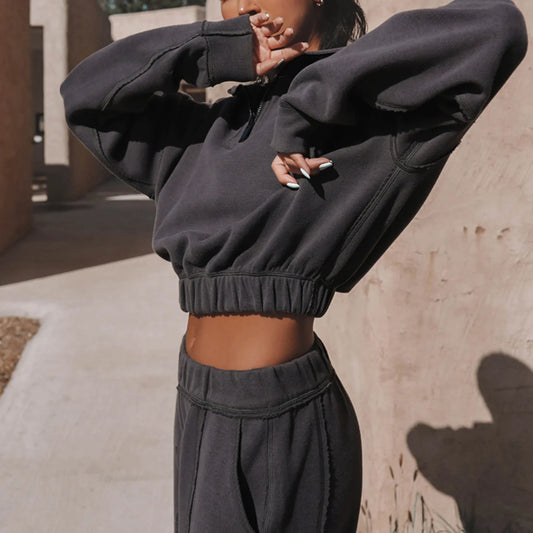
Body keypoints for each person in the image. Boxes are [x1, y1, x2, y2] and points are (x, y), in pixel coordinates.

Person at [60, 0, 527, 530]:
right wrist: (214, 49)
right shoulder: (203, 133)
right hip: (196, 403)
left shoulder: (370, 120)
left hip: (284, 418)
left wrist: (306, 108)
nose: (242, 3)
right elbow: (86, 95)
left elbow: (496, 26)